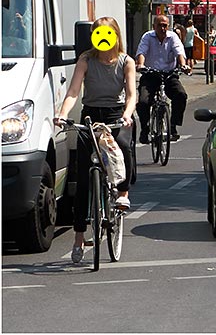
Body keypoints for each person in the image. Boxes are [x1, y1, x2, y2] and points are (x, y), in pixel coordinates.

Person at [55, 17, 137, 264]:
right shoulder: (86, 60)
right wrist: (63, 113)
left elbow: (131, 95)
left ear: (114, 35)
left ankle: (122, 193)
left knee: (122, 146)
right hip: (91, 115)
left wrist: (126, 115)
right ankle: (79, 237)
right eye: (97, 34)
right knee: (83, 181)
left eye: (106, 34)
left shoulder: (126, 62)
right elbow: (73, 91)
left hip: (115, 114)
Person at [136, 14, 191, 143]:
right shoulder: (147, 37)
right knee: (143, 102)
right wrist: (141, 65)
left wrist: (183, 65)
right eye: (159, 25)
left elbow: (179, 52)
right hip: (150, 74)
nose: (162, 28)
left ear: (168, 26)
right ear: (154, 26)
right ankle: (145, 128)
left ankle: (173, 126)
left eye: (165, 25)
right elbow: (142, 52)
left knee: (181, 95)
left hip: (169, 74)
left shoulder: (173, 37)